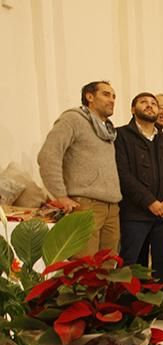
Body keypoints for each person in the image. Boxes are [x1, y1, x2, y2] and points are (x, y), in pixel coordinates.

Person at [37, 80, 122, 255]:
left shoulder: (108, 131)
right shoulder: (73, 119)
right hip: (85, 204)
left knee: (108, 269)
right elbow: (48, 155)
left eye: (114, 96)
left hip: (112, 208)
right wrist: (60, 196)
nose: (112, 100)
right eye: (106, 94)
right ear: (89, 97)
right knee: (83, 268)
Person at [114, 92, 163, 285]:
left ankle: (162, 304)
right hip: (136, 212)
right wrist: (150, 202)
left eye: (154, 103)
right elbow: (123, 174)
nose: (150, 106)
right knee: (132, 261)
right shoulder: (121, 136)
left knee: (162, 261)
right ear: (132, 109)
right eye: (144, 102)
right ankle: (130, 307)